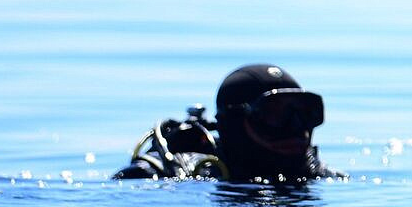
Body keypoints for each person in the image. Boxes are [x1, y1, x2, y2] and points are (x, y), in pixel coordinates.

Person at [113, 63, 340, 183]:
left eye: (304, 113)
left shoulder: (320, 175)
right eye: (276, 115)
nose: (296, 127)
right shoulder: (187, 173)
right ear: (237, 122)